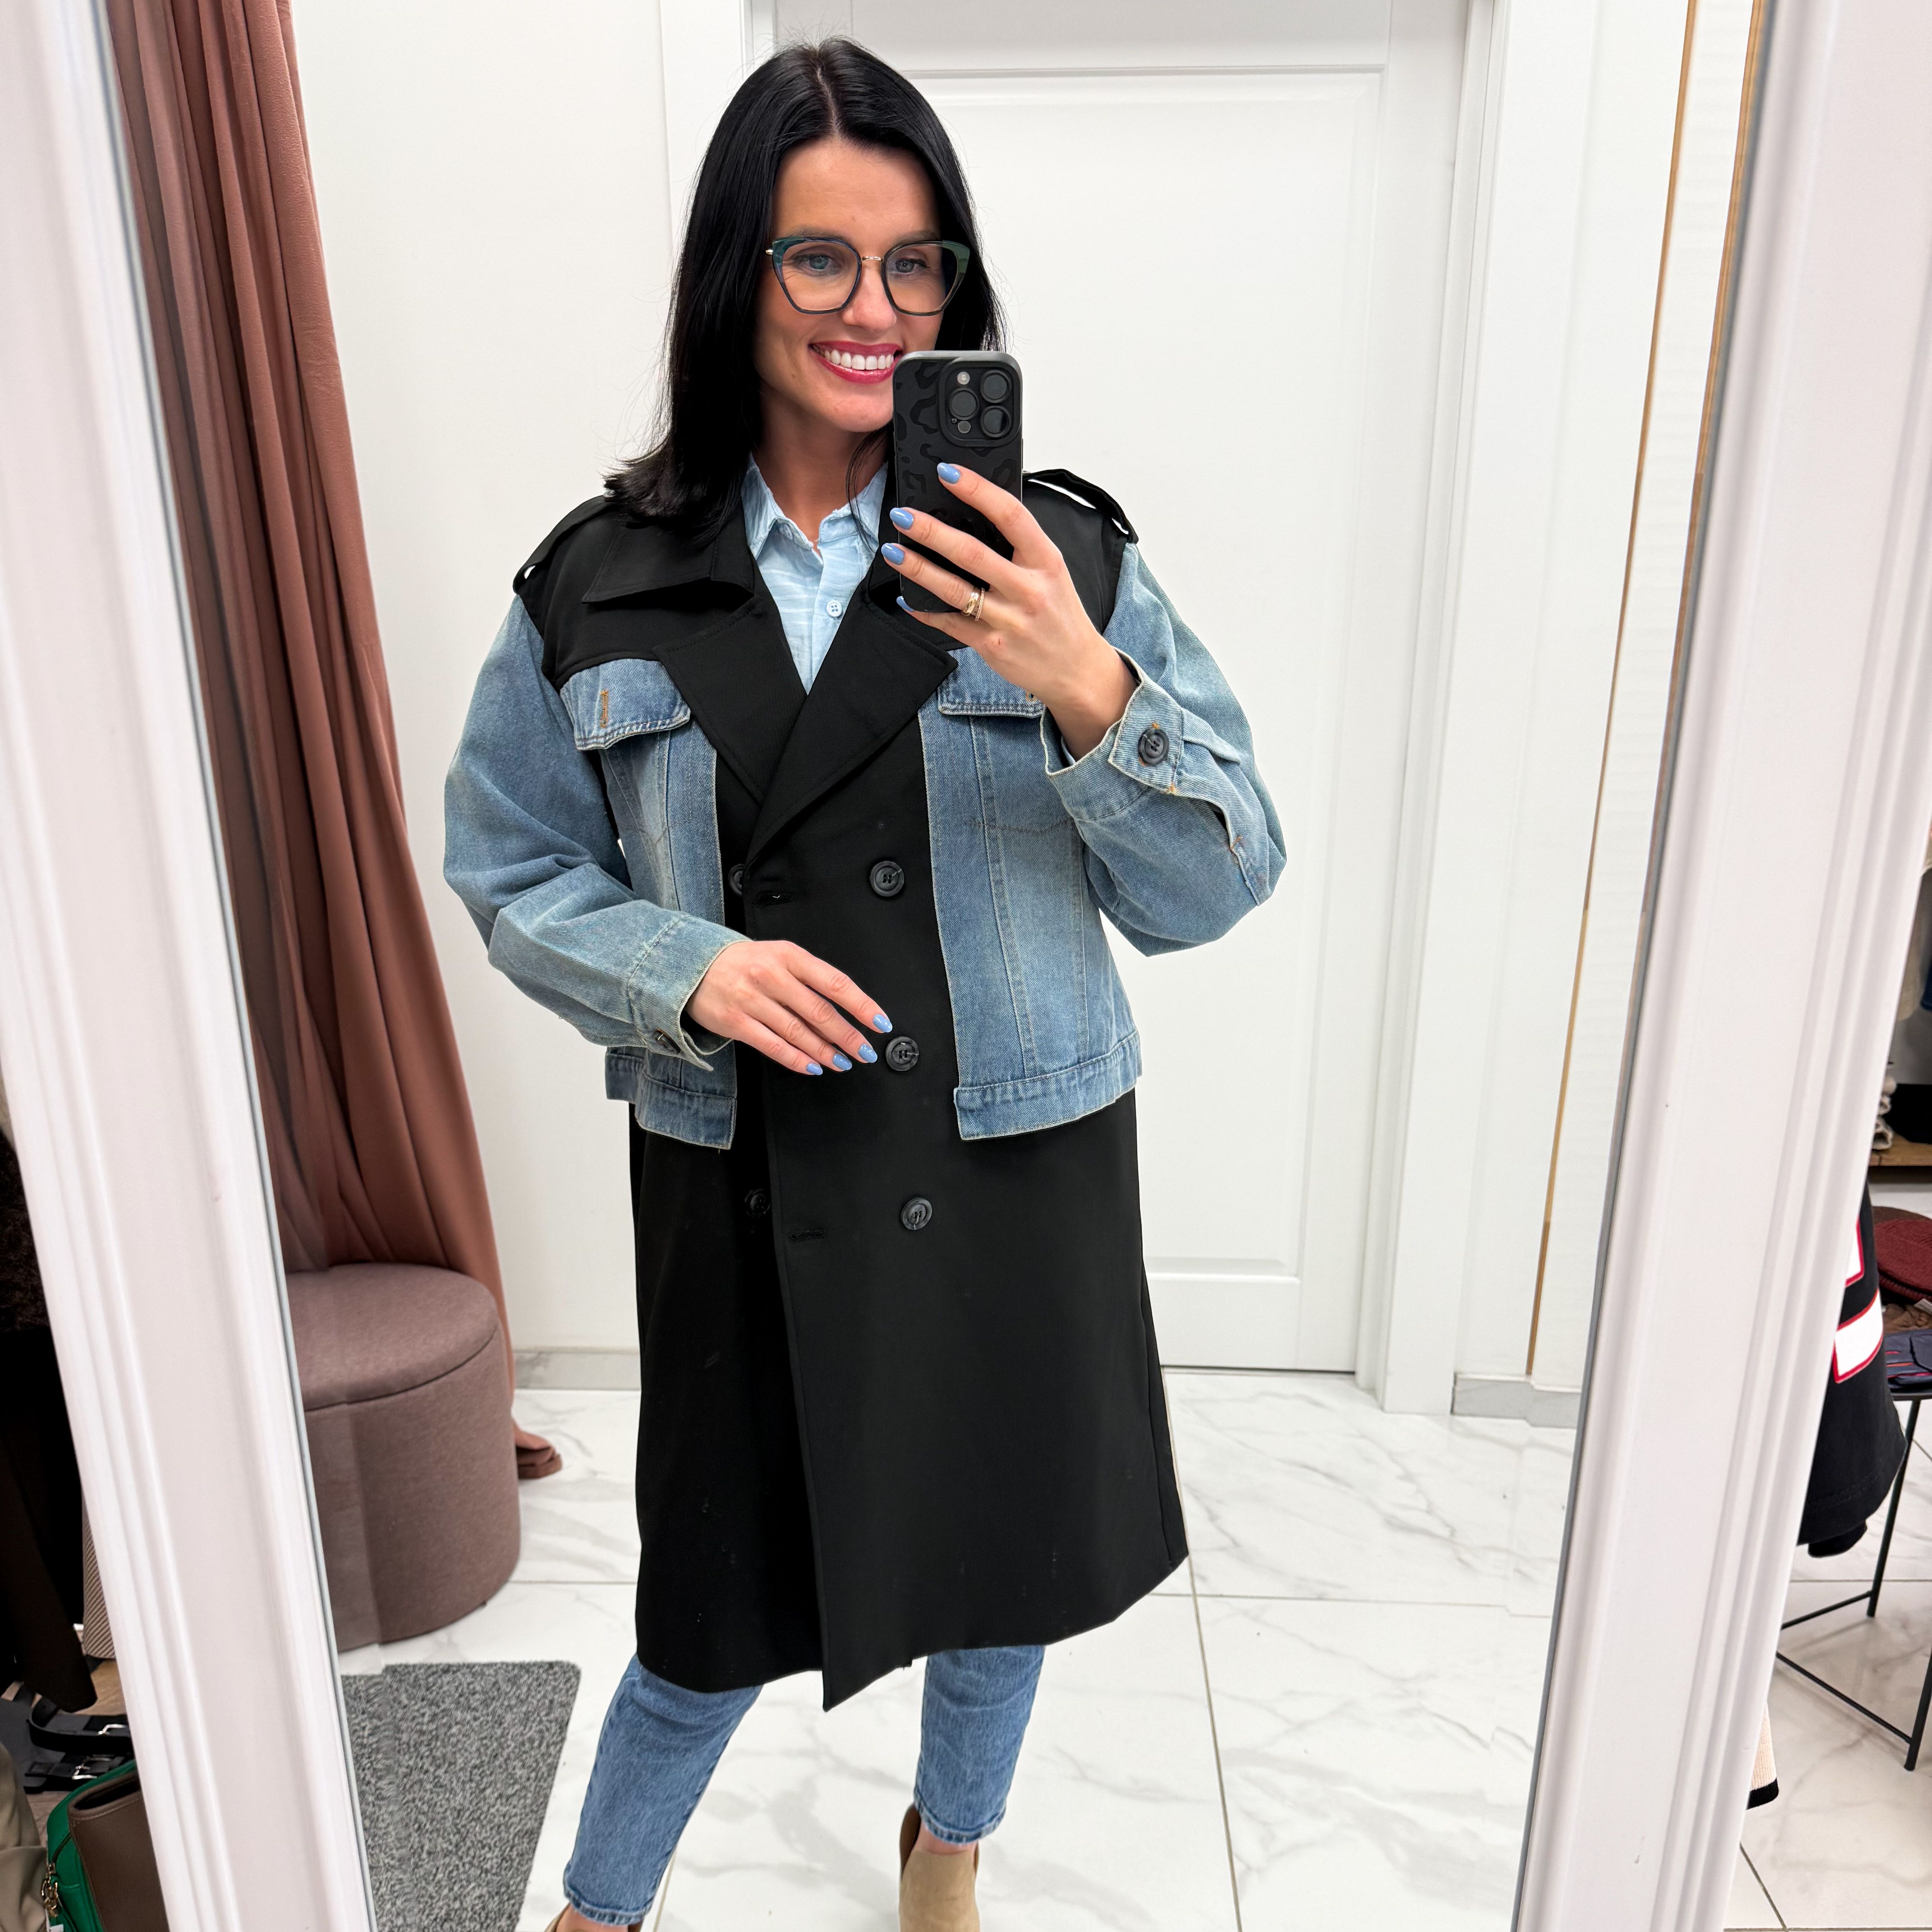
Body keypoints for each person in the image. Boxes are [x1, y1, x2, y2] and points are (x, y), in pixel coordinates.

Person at [444, 37, 1283, 1932]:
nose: (873, 309)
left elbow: (1222, 879)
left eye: (915, 264)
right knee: (710, 1606)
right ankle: (599, 1907)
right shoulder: (596, 582)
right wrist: (686, 968)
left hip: (1013, 1161)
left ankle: (949, 1850)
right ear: (736, 274)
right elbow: (507, 865)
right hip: (745, 1175)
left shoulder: (1056, 555)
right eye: (819, 257)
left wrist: (1087, 683)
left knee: (1003, 1571)